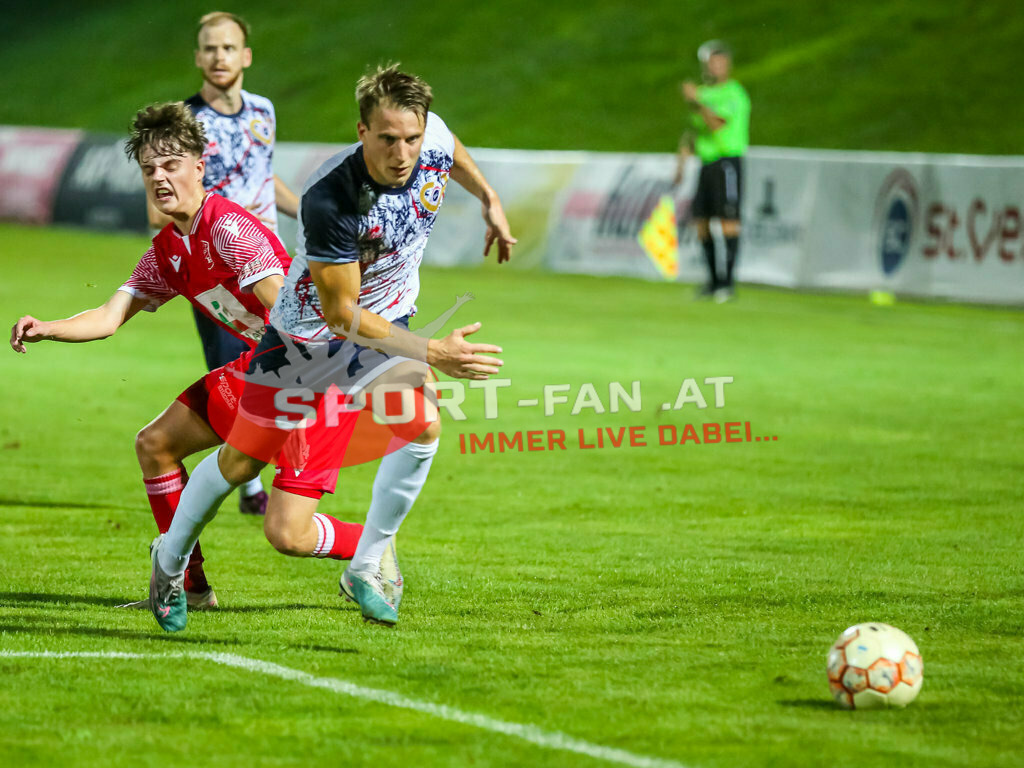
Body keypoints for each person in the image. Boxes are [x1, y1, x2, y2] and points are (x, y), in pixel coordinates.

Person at [149, 63, 517, 631]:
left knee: (422, 424)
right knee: (238, 462)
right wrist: (432, 352)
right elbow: (340, 314)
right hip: (304, 343)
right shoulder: (332, 201)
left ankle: (367, 563)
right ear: (362, 130)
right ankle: (169, 562)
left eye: (412, 138)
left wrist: (489, 198)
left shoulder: (429, 136)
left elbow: (450, 146)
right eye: (388, 139)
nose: (403, 152)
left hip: (384, 323)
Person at [10, 103, 366, 610]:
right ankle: (192, 589)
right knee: (160, 447)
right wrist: (46, 327)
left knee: (286, 532)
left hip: (307, 373)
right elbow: (109, 317)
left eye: (171, 164)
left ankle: (369, 550)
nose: (159, 176)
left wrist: (294, 409)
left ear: (200, 166)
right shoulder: (167, 249)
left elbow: (294, 316)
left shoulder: (229, 230)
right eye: (150, 168)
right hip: (269, 371)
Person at [151, 11, 302, 515]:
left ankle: (284, 468)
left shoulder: (264, 111)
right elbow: (160, 203)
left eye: (229, 48)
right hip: (218, 267)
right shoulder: (183, 122)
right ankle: (249, 483)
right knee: (228, 369)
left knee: (286, 356)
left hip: (270, 259)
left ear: (246, 56)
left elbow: (264, 172)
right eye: (210, 49)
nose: (220, 57)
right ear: (198, 57)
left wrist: (306, 210)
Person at [676, 40, 750, 302]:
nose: (715, 67)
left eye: (720, 62)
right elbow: (694, 131)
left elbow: (717, 124)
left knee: (728, 221)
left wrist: (697, 101)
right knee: (702, 223)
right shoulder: (705, 94)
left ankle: (727, 284)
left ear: (727, 65)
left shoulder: (733, 93)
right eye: (711, 62)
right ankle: (712, 281)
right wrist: (681, 161)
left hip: (727, 162)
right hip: (706, 164)